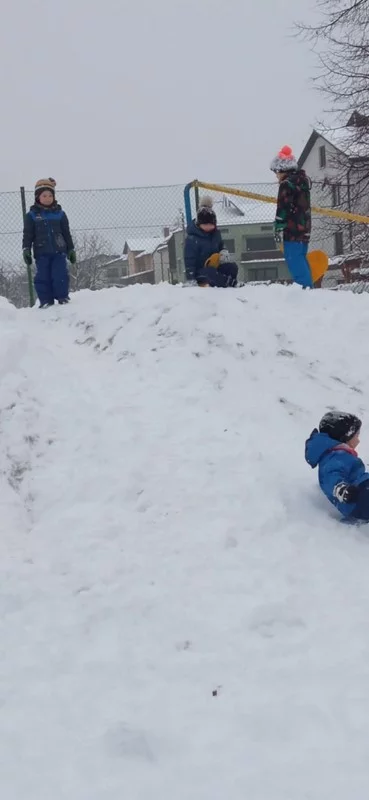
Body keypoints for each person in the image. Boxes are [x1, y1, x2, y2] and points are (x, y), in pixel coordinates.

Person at [305, 411, 369, 521]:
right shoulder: (334, 457)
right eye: (356, 436)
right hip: (357, 498)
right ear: (345, 436)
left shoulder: (339, 454)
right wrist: (341, 489)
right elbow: (330, 476)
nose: (358, 440)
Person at [22, 178, 76, 308]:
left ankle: (63, 297)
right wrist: (26, 249)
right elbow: (28, 234)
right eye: (44, 195)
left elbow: (66, 233)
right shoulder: (32, 216)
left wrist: (71, 249)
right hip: (41, 253)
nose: (47, 198)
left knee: (60, 275)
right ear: (37, 197)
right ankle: (46, 300)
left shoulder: (60, 214)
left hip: (59, 251)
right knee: (42, 277)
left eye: (50, 195)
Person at [270, 145, 313, 289]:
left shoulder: (286, 185)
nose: (276, 176)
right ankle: (309, 288)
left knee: (294, 260)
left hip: (292, 229)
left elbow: (283, 208)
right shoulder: (302, 181)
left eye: (276, 172)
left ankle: (305, 290)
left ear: (282, 170)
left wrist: (278, 226)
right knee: (301, 258)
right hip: (304, 227)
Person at [184, 196, 238, 287]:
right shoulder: (192, 239)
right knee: (210, 272)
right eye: (205, 224)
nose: (209, 227)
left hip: (215, 267)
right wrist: (190, 278)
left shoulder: (215, 234)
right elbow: (189, 260)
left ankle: (229, 281)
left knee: (232, 266)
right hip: (200, 273)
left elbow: (221, 245)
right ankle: (229, 283)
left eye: (211, 224)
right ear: (199, 224)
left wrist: (223, 251)